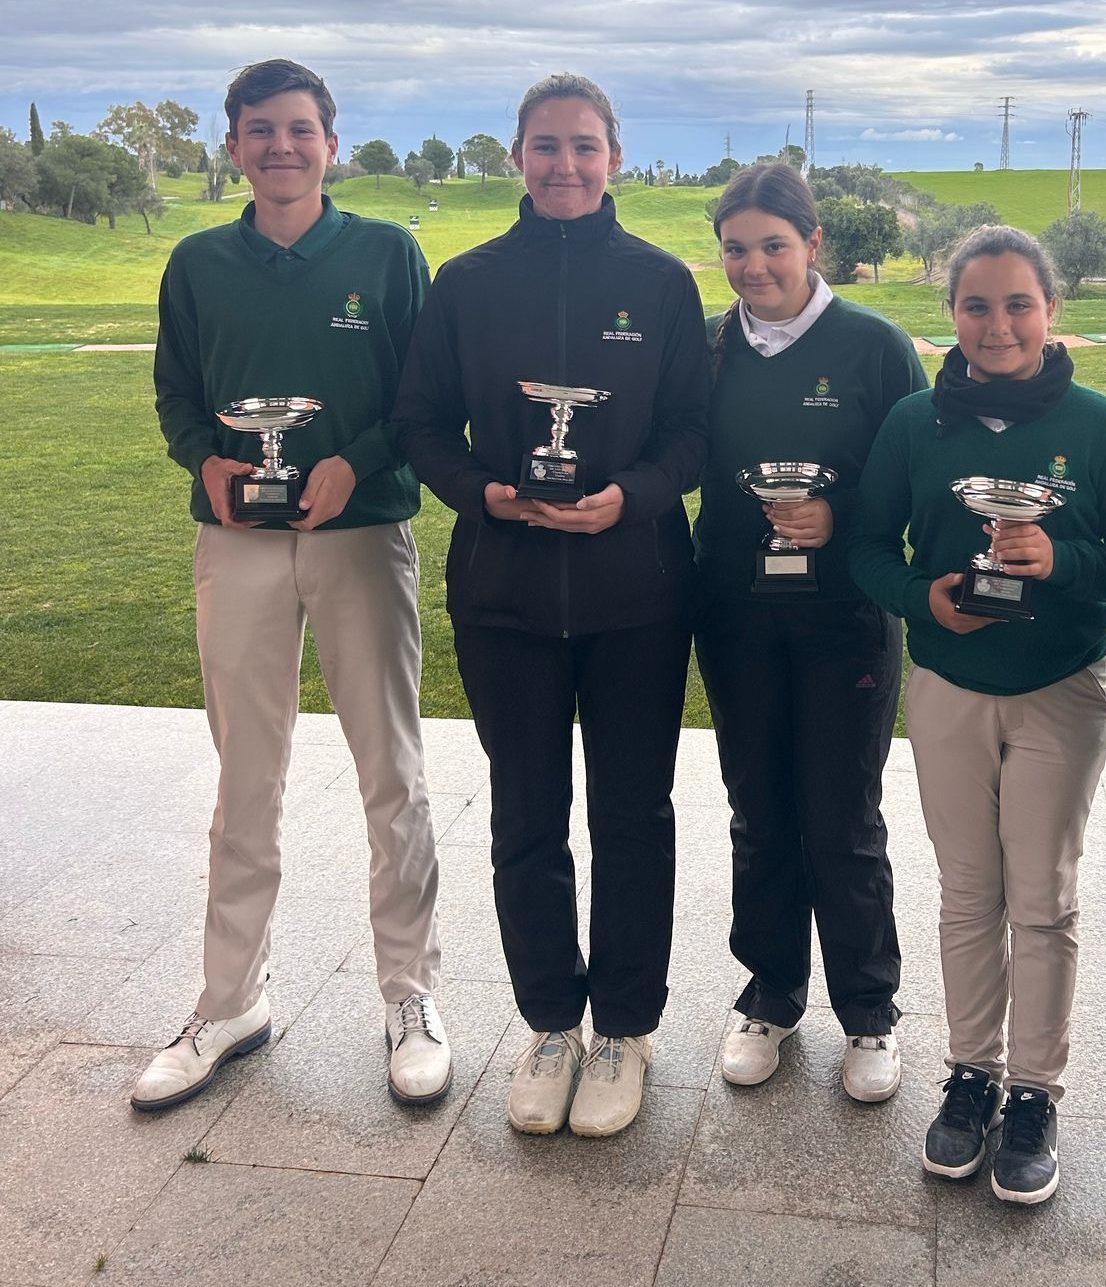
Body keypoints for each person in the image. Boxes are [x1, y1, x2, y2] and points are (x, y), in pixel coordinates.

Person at [393, 74, 707, 1139]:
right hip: (505, 597)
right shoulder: (466, 283)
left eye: (582, 145)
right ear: (516, 157)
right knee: (525, 818)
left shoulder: (661, 286)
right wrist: (481, 492)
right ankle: (549, 1021)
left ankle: (622, 1024)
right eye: (543, 146)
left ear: (613, 155)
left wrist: (637, 496)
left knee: (630, 816)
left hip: (636, 599)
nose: (563, 164)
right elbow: (421, 423)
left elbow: (692, 435)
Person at [138, 58, 450, 1112]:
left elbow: (421, 394)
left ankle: (410, 994)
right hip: (238, 539)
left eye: (299, 129)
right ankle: (231, 998)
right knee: (245, 776)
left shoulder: (386, 253)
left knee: (391, 771)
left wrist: (352, 462)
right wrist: (209, 461)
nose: (280, 146)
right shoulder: (196, 261)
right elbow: (177, 389)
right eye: (259, 130)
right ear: (231, 146)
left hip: (360, 530)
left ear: (332, 142)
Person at [850, 225, 1106, 1202]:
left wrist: (1058, 562)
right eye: (976, 306)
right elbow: (864, 548)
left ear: (1049, 310)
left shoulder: (1098, 424)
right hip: (946, 689)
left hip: (1059, 696)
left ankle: (1033, 1092)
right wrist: (921, 602)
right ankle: (969, 1075)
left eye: (1016, 304)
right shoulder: (913, 422)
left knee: (1042, 899)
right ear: (950, 315)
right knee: (965, 893)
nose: (996, 325)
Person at [693, 163, 927, 1100]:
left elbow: (915, 473)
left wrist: (842, 518)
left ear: (813, 243)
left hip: (845, 617)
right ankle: (772, 993)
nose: (754, 266)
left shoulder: (873, 345)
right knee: (759, 808)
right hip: (737, 612)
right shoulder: (709, 349)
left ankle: (869, 1010)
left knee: (842, 815)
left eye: (773, 246)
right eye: (737, 249)